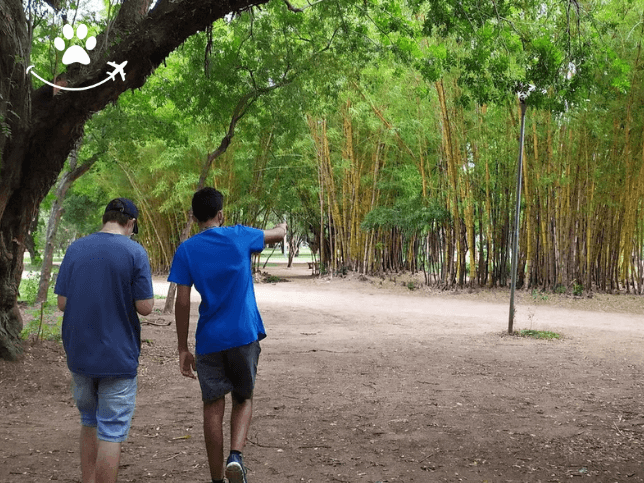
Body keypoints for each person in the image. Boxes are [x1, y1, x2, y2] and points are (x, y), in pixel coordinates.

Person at [168, 187, 286, 483]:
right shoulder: (238, 235)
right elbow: (276, 235)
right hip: (243, 333)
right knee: (243, 398)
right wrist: (282, 227)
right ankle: (235, 455)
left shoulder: (186, 250)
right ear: (220, 215)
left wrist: (183, 348)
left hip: (209, 339)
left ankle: (216, 479)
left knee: (212, 406)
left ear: (193, 217)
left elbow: (182, 302)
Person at [54, 198, 155, 483]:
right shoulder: (135, 252)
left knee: (89, 421)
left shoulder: (75, 249)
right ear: (131, 223)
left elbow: (62, 303)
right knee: (111, 429)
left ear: (105, 218)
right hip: (118, 356)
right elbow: (146, 306)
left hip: (80, 353)